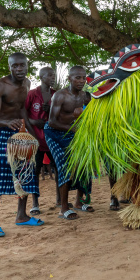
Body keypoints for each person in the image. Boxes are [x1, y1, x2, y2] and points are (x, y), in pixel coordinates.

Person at [0, 52, 44, 237]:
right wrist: (7, 123)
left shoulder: (27, 83)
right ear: (9, 67)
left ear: (27, 66)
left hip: (16, 127)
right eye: (14, 66)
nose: (19, 69)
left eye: (22, 65)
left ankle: (22, 216)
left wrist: (33, 135)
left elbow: (20, 110)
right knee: (1, 171)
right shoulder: (0, 86)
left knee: (26, 169)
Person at [44, 66, 94, 220]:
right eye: (77, 77)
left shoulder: (86, 96)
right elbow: (51, 122)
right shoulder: (60, 96)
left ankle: (79, 202)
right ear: (69, 79)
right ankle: (64, 208)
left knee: (84, 164)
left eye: (83, 77)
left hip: (74, 133)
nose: (81, 80)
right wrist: (72, 129)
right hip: (55, 133)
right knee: (64, 165)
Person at [25, 67, 59, 215]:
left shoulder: (56, 94)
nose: (53, 78)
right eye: (50, 75)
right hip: (35, 138)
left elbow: (61, 115)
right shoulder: (32, 94)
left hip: (52, 138)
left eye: (54, 75)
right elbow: (24, 115)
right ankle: (35, 203)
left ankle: (59, 199)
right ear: (42, 77)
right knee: (35, 171)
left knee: (58, 169)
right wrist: (34, 122)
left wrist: (51, 108)